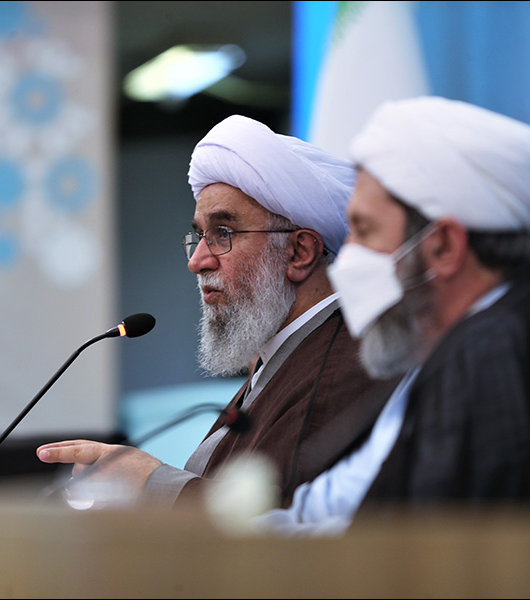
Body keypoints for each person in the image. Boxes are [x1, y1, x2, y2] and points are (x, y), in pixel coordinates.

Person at [256, 96, 530, 535]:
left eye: (364, 231)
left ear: (444, 247)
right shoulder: (479, 342)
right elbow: (340, 503)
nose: (347, 258)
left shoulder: (496, 354)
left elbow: (417, 554)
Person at [38, 115, 393, 508]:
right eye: (199, 235)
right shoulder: (288, 357)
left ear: (299, 252)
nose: (197, 261)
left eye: (223, 233)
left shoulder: (346, 367)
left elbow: (286, 526)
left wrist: (152, 483)